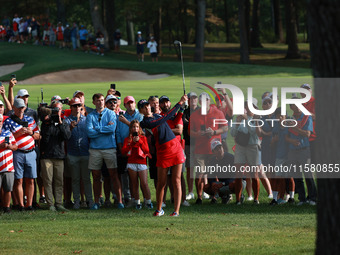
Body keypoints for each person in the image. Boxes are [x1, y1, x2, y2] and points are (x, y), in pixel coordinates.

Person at [138, 94, 187, 217]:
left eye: (147, 105)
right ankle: (159, 209)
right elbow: (165, 119)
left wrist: (181, 110)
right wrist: (179, 103)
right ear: (140, 111)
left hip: (175, 148)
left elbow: (174, 120)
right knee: (161, 183)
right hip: (163, 152)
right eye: (144, 107)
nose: (147, 108)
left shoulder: (156, 115)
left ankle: (176, 211)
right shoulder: (146, 122)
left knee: (176, 180)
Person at [189, 92, 228, 204]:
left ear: (209, 101)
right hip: (200, 149)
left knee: (214, 173)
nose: (204, 102)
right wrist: (198, 133)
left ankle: (215, 196)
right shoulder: (195, 115)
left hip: (214, 149)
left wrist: (214, 131)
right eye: (202, 100)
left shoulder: (218, 112)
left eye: (207, 100)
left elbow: (225, 128)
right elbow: (190, 131)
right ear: (200, 102)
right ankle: (199, 197)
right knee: (200, 174)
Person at [86, 93, 123, 209]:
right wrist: (103, 129)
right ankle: (96, 202)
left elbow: (112, 129)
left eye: (102, 100)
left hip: (109, 148)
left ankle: (120, 201)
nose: (100, 102)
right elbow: (89, 132)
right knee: (96, 176)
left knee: (114, 175)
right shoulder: (90, 116)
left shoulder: (111, 113)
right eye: (98, 100)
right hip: (95, 149)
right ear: (94, 102)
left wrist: (96, 128)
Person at [4, 98, 40, 211]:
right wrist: (17, 134)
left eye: (22, 107)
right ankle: (21, 205)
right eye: (18, 107)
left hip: (30, 153)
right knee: (18, 180)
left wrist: (32, 133)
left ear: (25, 107)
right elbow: (5, 139)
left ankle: (29, 205)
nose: (20, 110)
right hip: (17, 153)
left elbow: (38, 136)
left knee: (30, 179)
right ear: (13, 108)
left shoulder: (30, 119)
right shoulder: (8, 121)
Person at [40, 101, 71, 212]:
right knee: (48, 181)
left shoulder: (64, 123)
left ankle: (58, 203)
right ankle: (50, 204)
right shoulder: (45, 123)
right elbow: (45, 139)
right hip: (47, 156)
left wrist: (60, 123)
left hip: (59, 155)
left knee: (59, 181)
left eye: (58, 110)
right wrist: (48, 123)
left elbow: (66, 136)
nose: (56, 113)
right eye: (54, 110)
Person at [285, 98, 316, 205]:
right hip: (292, 151)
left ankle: (312, 198)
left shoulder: (307, 118)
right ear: (291, 107)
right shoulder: (289, 119)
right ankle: (302, 199)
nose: (297, 107)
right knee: (297, 176)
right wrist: (291, 140)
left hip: (304, 150)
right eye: (294, 105)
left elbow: (307, 134)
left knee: (308, 175)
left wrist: (295, 128)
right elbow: (286, 137)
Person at [230, 98, 261, 205]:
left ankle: (256, 198)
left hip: (252, 146)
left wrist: (246, 119)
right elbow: (233, 133)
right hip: (240, 147)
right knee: (238, 173)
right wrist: (237, 123)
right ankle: (238, 199)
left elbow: (253, 132)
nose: (247, 108)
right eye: (246, 106)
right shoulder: (239, 118)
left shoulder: (257, 118)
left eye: (250, 106)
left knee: (254, 174)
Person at [65, 98, 94, 209]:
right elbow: (66, 137)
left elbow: (90, 136)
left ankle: (89, 201)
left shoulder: (86, 120)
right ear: (71, 107)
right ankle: (76, 201)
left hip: (85, 153)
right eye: (75, 106)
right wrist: (70, 129)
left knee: (86, 179)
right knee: (75, 179)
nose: (77, 108)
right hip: (72, 153)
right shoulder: (67, 121)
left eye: (79, 106)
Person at [116, 96, 143, 206]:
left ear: (135, 103)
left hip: (137, 150)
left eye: (132, 103)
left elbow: (140, 131)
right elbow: (118, 133)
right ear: (125, 105)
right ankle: (129, 198)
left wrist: (127, 122)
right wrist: (120, 147)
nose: (130, 105)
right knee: (125, 176)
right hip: (125, 148)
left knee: (139, 177)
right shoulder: (121, 117)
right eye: (128, 103)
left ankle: (140, 199)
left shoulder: (140, 115)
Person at [121, 120, 153, 209]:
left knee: (144, 183)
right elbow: (124, 151)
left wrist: (139, 141)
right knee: (134, 183)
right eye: (133, 127)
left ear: (139, 128)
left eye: (137, 127)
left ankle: (148, 201)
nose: (135, 128)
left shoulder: (143, 138)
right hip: (131, 163)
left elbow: (146, 150)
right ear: (130, 129)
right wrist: (132, 143)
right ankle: (137, 202)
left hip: (141, 162)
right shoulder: (127, 139)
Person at [0, 114, 18, 213]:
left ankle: (6, 207)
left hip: (8, 166)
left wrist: (10, 147)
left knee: (8, 188)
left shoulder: (8, 133)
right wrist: (1, 146)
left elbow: (16, 146)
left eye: (0, 121)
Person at [183, 92, 199, 201]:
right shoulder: (185, 111)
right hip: (189, 143)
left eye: (194, 98)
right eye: (190, 98)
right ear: (187, 100)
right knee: (190, 168)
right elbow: (185, 124)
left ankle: (203, 191)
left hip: (201, 144)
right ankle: (190, 192)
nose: (193, 100)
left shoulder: (201, 110)